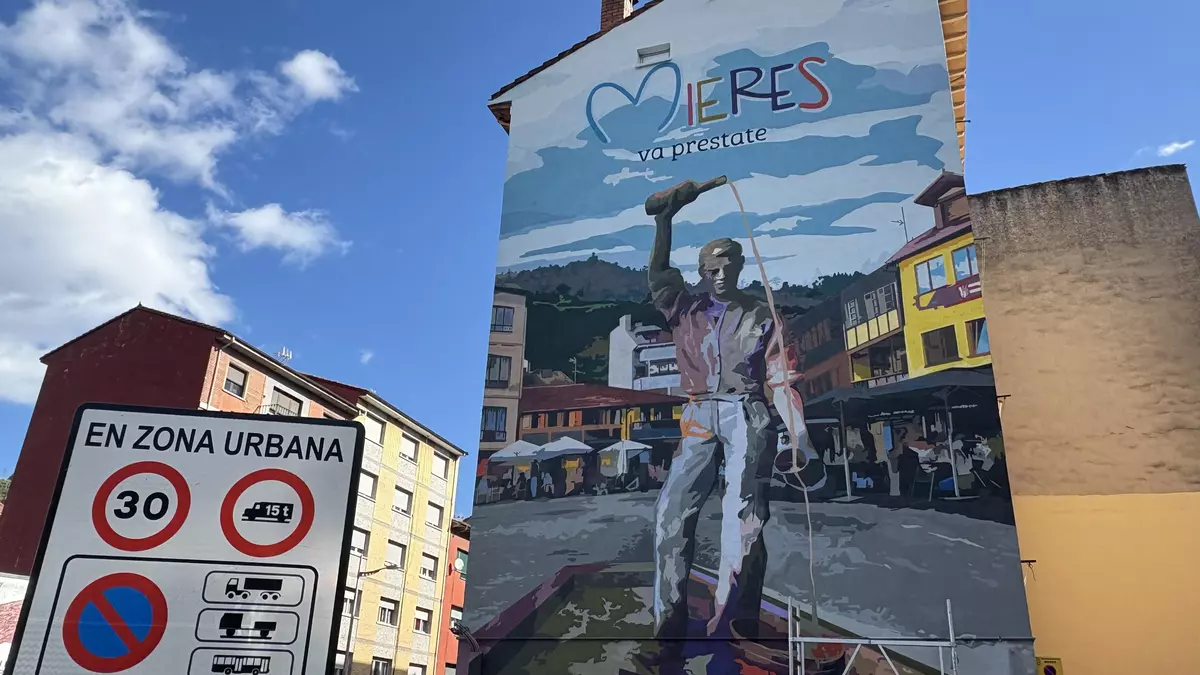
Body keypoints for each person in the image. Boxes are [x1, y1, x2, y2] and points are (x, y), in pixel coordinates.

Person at [643, 178, 813, 665]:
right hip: (698, 411)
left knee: (744, 522)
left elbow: (781, 379)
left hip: (747, 410)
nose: (720, 276)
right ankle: (669, 632)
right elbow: (657, 269)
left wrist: (797, 437)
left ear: (739, 269)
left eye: (728, 267)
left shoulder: (763, 315)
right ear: (700, 272)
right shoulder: (682, 306)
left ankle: (732, 630)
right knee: (671, 518)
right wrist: (664, 218)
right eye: (712, 269)